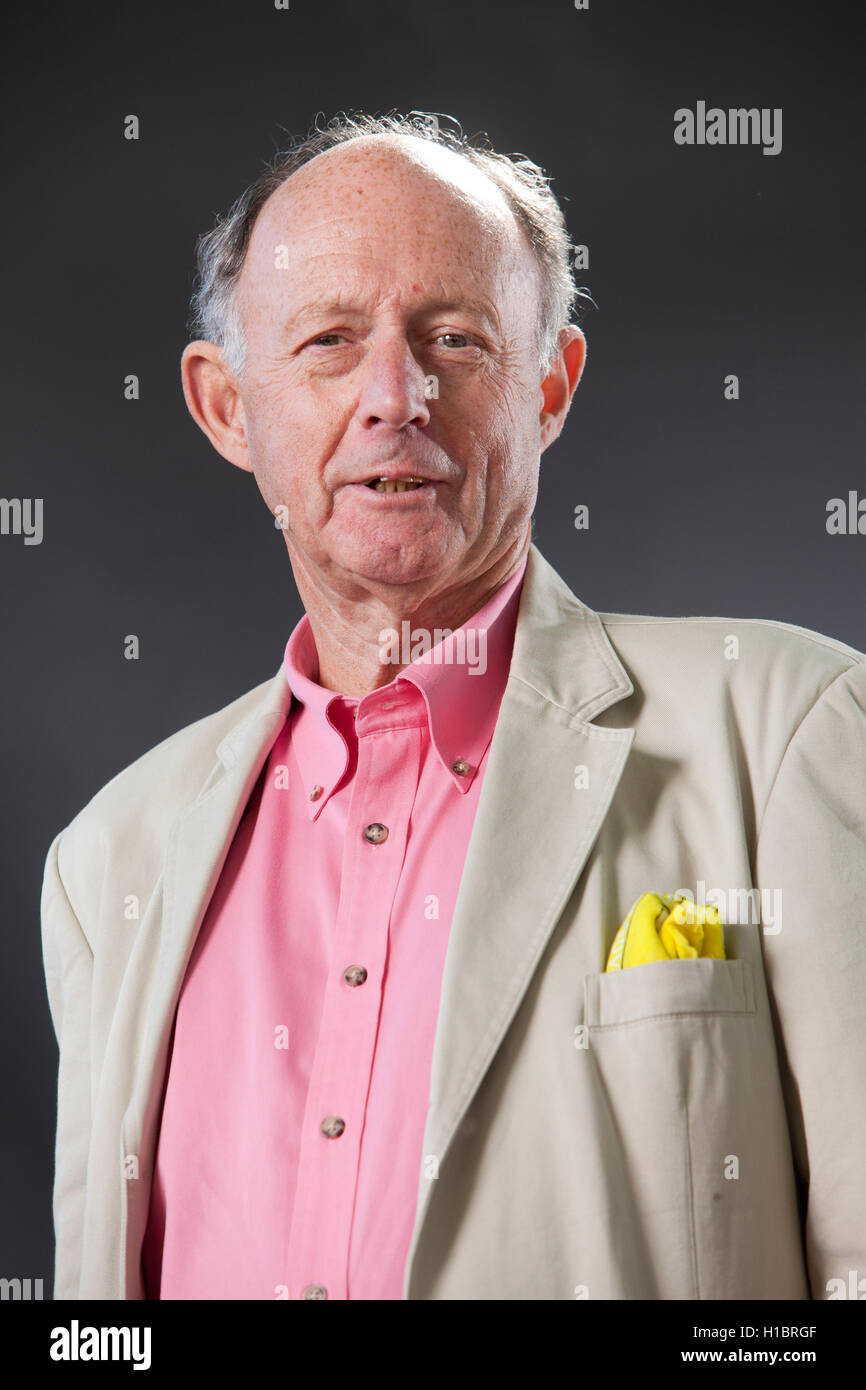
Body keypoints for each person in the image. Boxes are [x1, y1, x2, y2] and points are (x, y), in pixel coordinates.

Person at [41, 111, 866, 1301]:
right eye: (328, 340)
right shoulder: (104, 864)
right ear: (228, 409)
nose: (396, 394)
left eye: (457, 339)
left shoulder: (795, 732)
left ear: (549, 387)